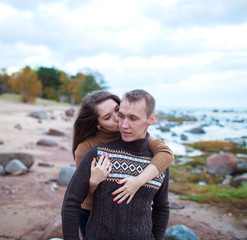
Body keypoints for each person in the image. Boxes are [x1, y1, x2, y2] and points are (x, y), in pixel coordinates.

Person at [62, 89, 170, 240]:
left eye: (118, 112)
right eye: (108, 117)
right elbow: (74, 199)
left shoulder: (154, 155)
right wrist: (93, 183)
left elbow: (165, 154)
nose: (121, 122)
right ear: (98, 124)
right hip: (91, 211)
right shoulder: (91, 149)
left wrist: (139, 180)